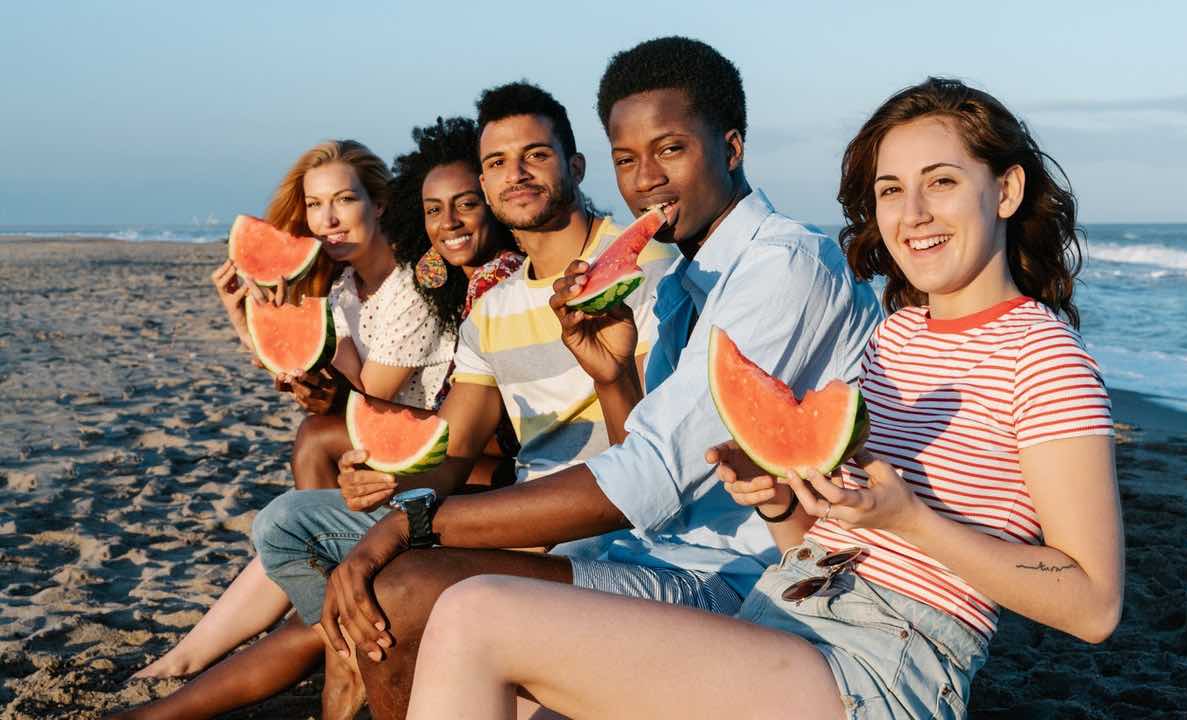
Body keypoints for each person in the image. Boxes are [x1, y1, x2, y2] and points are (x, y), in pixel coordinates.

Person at [403, 77, 1126, 720]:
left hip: (884, 665)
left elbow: (1093, 605)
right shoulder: (898, 336)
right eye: (890, 190)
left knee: (474, 614)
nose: (913, 214)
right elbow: (825, 543)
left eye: (940, 182)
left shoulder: (1045, 357)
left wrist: (913, 521)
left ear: (1004, 190)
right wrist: (779, 504)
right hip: (786, 609)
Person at [285, 37, 881, 718]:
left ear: (732, 148)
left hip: (739, 579)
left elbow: (651, 477)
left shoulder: (785, 266)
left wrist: (410, 523)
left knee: (405, 584)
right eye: (627, 160)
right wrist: (613, 377)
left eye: (671, 149)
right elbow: (662, 471)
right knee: (391, 580)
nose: (645, 180)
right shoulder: (690, 279)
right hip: (656, 554)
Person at [112, 127, 526, 718]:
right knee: (312, 449)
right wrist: (249, 317)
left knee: (315, 442)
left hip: (459, 459)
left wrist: (294, 327)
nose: (326, 219)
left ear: (379, 204)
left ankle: (284, 625)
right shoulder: (342, 288)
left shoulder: (413, 283)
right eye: (314, 205)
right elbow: (313, 378)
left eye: (343, 200)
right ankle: (222, 641)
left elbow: (367, 397)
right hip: (405, 454)